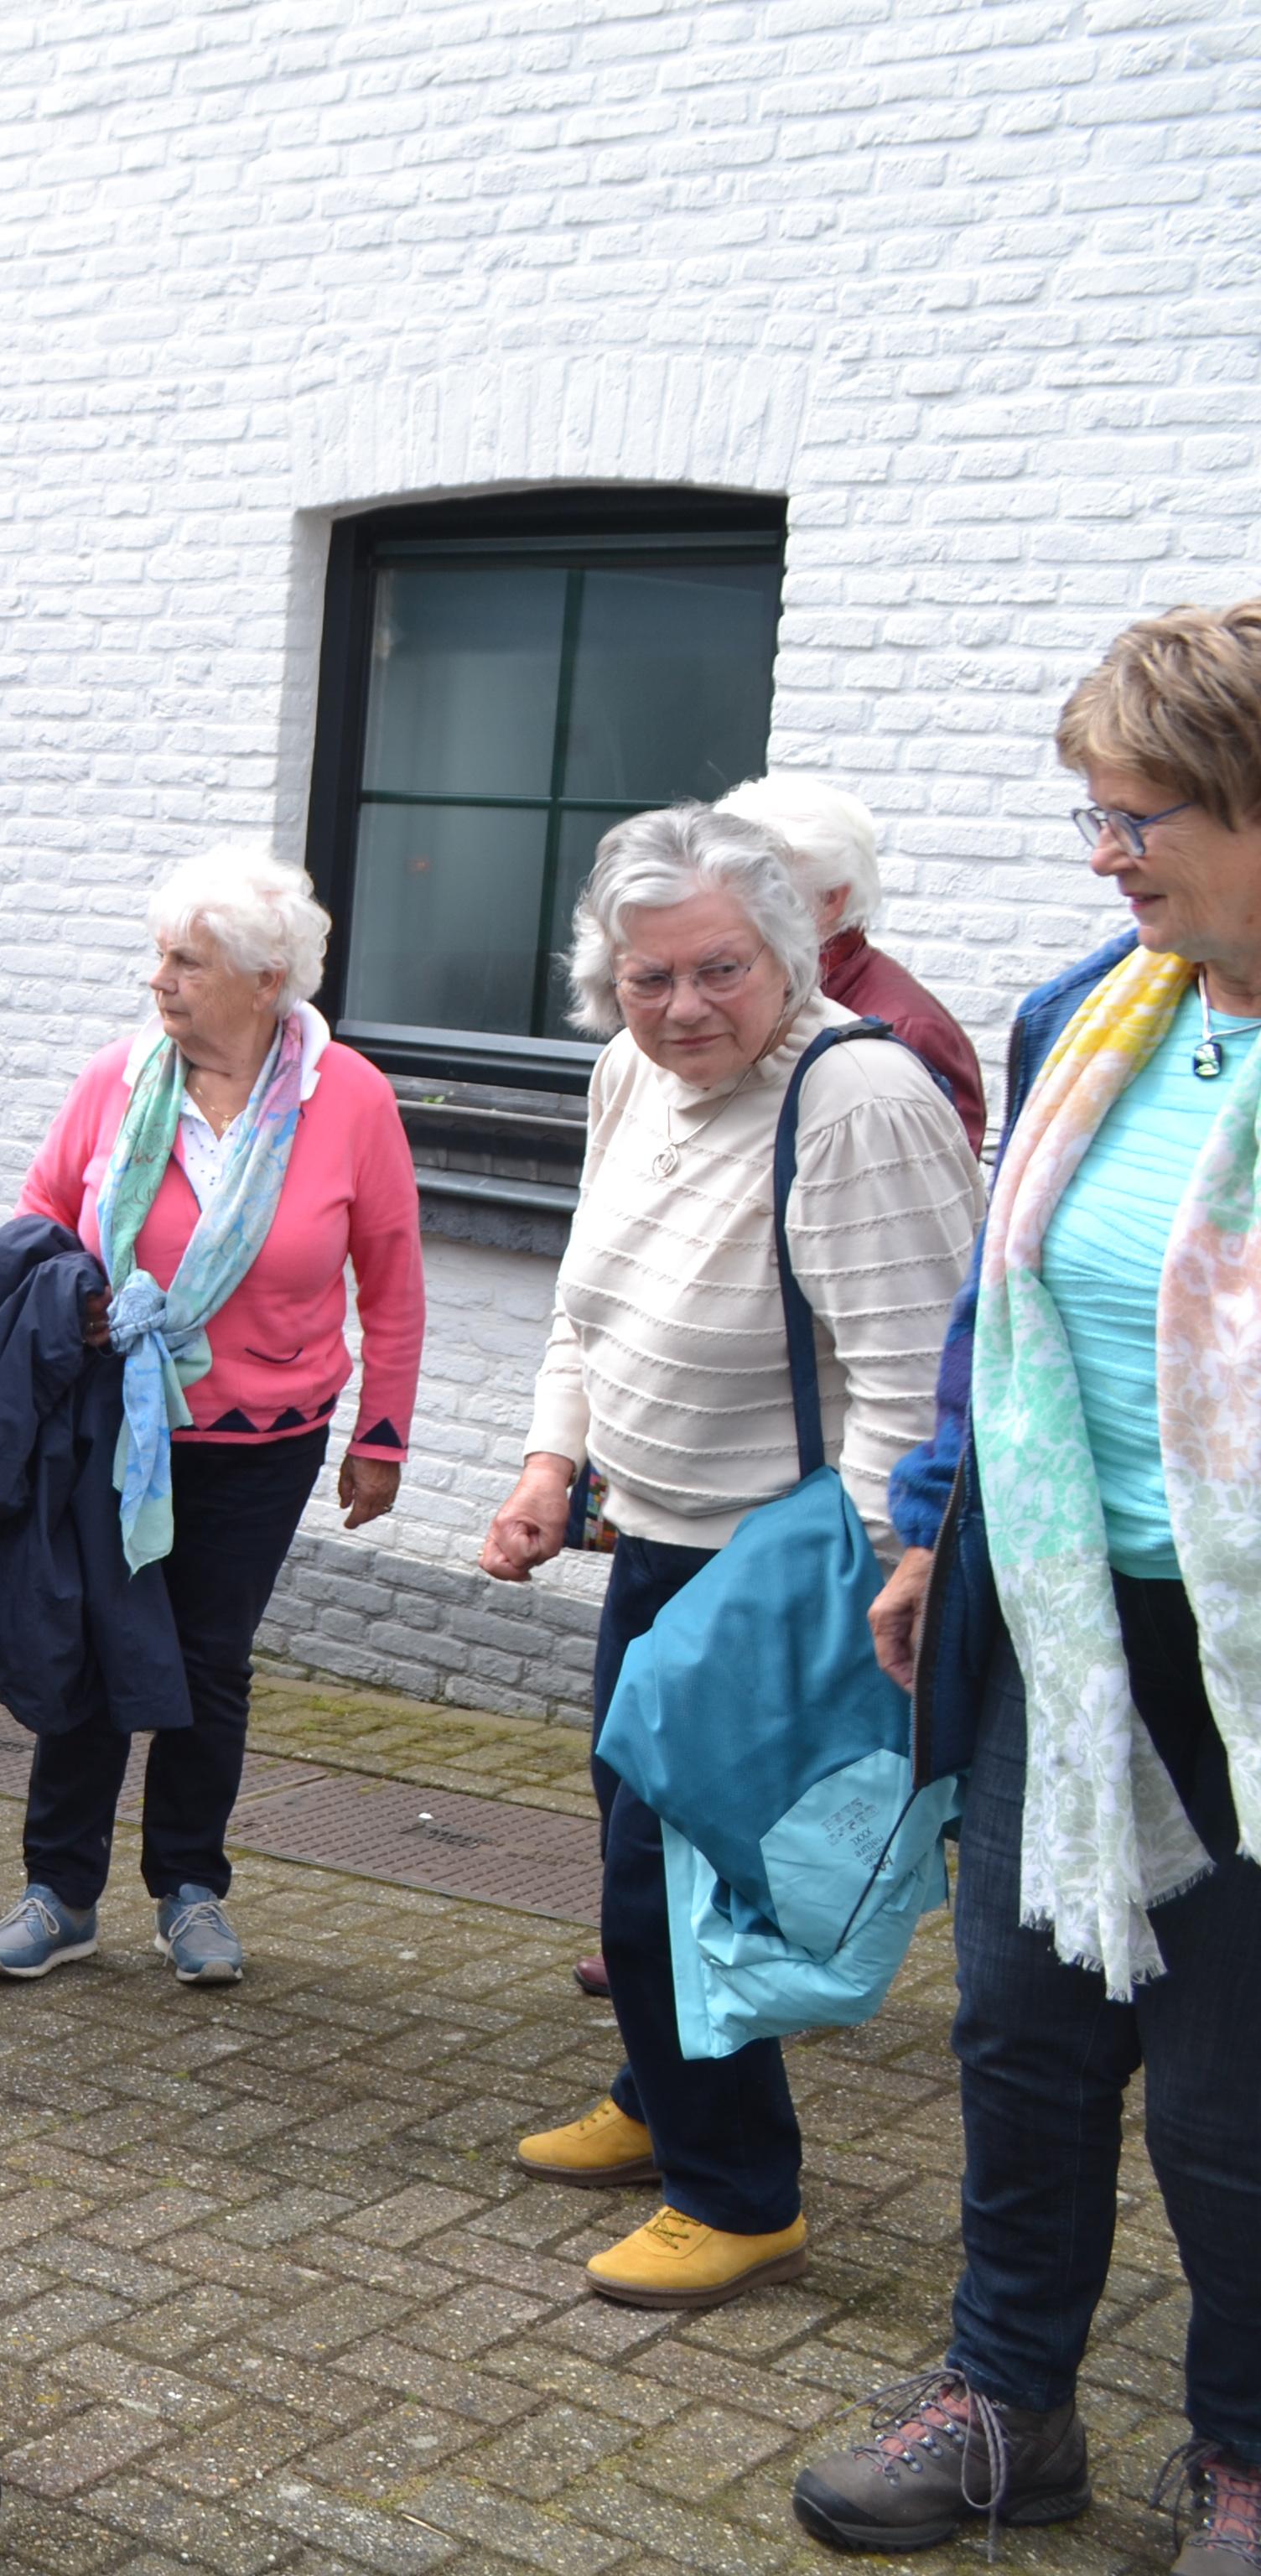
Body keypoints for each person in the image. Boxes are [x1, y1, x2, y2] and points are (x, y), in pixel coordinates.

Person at [788, 604, 1261, 2569]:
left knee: (1233, 2095)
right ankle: (1007, 2398)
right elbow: (1006, 1300)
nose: (1105, 851)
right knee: (1022, 2033)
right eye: (1094, 810)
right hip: (1065, 1623)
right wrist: (925, 1523)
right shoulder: (1094, 1005)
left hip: (1244, 1669)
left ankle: (1243, 2453)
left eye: (1143, 813)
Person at [480, 807, 980, 2312]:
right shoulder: (627, 1076)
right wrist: (546, 1465)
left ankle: (735, 2191)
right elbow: (589, 1304)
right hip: (652, 1539)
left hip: (776, 1568)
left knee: (670, 1877)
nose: (684, 1007)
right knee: (636, 1845)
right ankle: (656, 2092)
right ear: (603, 981)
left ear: (788, 955)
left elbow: (911, 1372)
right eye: (649, 978)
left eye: (720, 970)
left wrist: (890, 1571)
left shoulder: (856, 1098)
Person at [0, 847, 426, 1987]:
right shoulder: (116, 1082)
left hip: (264, 1441)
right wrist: (72, 1296)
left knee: (207, 1664)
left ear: (266, 979)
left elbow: (394, 1272)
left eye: (186, 960)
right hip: (111, 1427)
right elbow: (39, 1211)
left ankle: (189, 1889)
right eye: (158, 955)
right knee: (87, 1654)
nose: (158, 981)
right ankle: (58, 1892)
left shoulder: (351, 1099)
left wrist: (385, 1433)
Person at [720, 771, 991, 1151]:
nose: (724, 909)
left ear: (830, 900)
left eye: (762, 889)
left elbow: (922, 1197)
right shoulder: (744, 992)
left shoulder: (905, 1030)